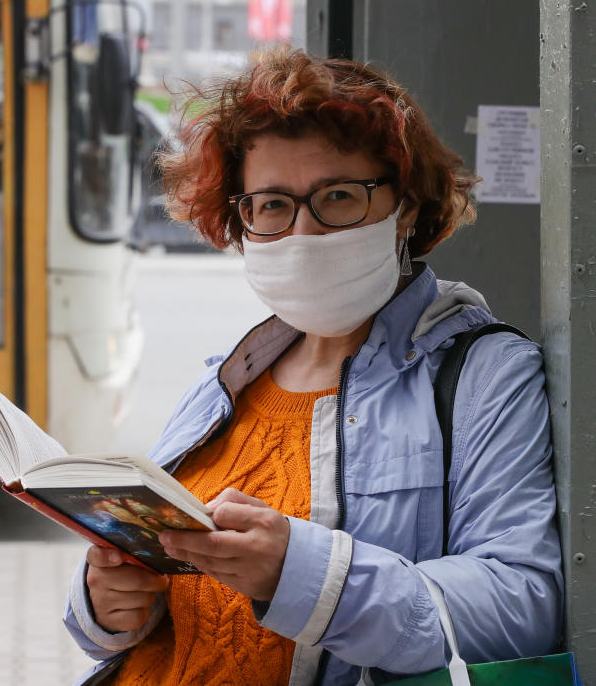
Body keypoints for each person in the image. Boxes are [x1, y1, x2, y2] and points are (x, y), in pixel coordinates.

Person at [63, 47, 563, 686]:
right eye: (271, 205)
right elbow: (132, 622)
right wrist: (105, 604)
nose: (304, 232)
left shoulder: (486, 375)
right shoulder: (230, 378)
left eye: (337, 196)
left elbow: (523, 605)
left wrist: (301, 573)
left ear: (405, 208)